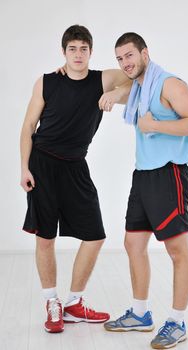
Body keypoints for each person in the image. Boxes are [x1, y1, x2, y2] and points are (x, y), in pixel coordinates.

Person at [20, 24, 130, 333]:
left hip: (76, 166)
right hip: (42, 163)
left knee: (94, 235)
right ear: (64, 52)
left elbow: (138, 77)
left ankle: (73, 304)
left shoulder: (102, 78)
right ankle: (52, 302)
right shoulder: (46, 82)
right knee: (45, 237)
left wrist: (116, 92)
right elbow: (28, 125)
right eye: (72, 49)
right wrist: (24, 167)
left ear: (91, 52)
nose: (78, 54)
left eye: (83, 49)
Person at [99, 32, 188, 349]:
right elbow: (116, 89)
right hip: (143, 175)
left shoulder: (170, 84)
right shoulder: (138, 88)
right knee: (133, 244)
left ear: (145, 53)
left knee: (177, 250)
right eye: (120, 59)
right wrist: (112, 92)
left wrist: (155, 125)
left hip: (169, 173)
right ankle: (141, 314)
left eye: (129, 56)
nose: (125, 63)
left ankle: (177, 321)